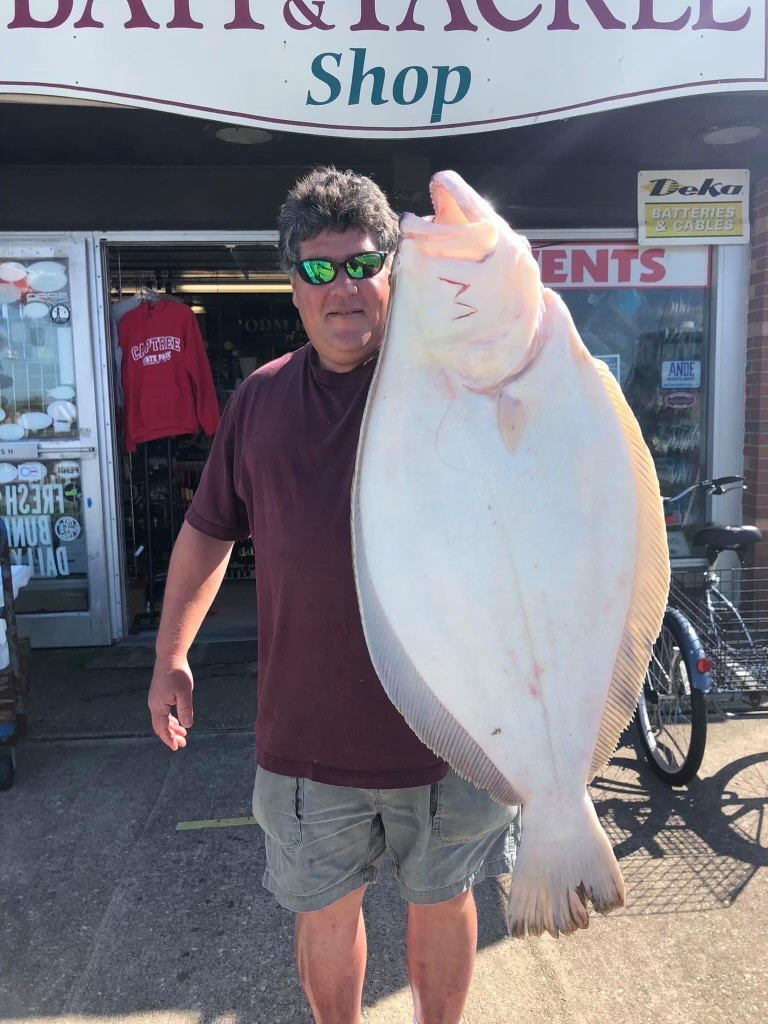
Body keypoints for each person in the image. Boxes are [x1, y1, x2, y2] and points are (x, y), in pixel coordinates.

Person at [148, 166, 519, 1024]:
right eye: (320, 269)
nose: (343, 286)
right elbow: (209, 529)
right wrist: (172, 654)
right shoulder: (260, 402)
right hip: (308, 736)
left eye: (362, 263)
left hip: (453, 730)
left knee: (445, 899)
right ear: (294, 287)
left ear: (394, 268)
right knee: (324, 915)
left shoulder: (461, 383)